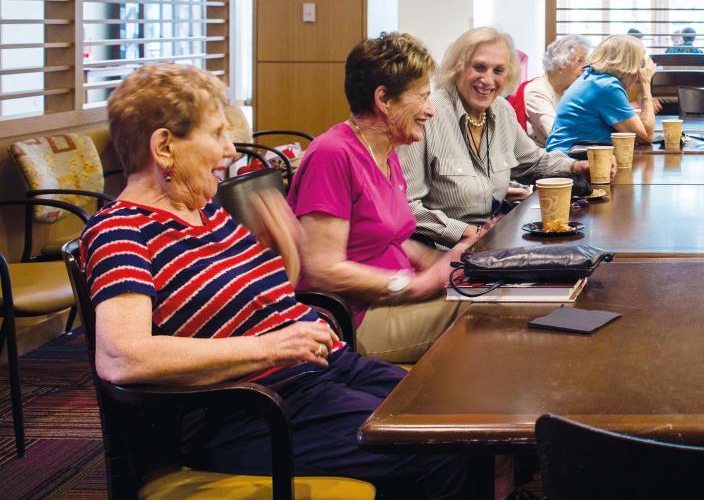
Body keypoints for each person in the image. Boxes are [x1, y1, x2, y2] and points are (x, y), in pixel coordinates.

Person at [80, 63, 468, 499]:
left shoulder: (204, 212)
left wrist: (282, 258)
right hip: (247, 412)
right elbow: (121, 356)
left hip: (318, 373)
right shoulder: (121, 231)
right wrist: (271, 346)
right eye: (216, 135)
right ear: (165, 146)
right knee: (437, 447)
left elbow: (232, 308)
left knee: (455, 415)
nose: (230, 151)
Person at [289, 33, 477, 365]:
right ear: (384, 100)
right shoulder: (332, 154)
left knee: (494, 293)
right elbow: (321, 268)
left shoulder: (386, 151)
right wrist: (414, 284)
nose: (430, 110)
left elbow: (391, 239)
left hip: (391, 302)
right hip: (356, 319)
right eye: (421, 97)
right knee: (487, 314)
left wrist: (452, 262)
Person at [401, 27, 602, 249]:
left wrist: (577, 166)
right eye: (479, 67)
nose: (487, 80)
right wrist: (466, 232)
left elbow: (533, 163)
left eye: (498, 70)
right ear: (457, 68)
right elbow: (406, 206)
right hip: (444, 253)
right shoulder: (428, 115)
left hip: (495, 241)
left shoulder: (501, 110)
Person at [546, 33, 657, 152]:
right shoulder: (607, 86)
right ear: (631, 65)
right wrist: (646, 84)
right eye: (640, 64)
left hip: (566, 155)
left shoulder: (593, 78)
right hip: (569, 160)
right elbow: (645, 136)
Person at [524, 34, 590, 146]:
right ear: (559, 64)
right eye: (580, 61)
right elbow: (559, 135)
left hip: (566, 154)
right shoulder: (536, 92)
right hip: (544, 159)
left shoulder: (568, 90)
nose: (585, 67)